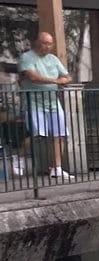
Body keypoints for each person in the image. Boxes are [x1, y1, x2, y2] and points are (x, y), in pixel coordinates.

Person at [19, 29, 72, 181]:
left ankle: (57, 168)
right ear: (37, 42)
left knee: (60, 134)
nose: (47, 46)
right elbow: (32, 77)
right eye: (44, 43)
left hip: (52, 101)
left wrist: (65, 80)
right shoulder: (27, 57)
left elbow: (67, 76)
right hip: (34, 102)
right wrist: (56, 81)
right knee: (37, 135)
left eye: (50, 44)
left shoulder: (54, 59)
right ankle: (19, 156)